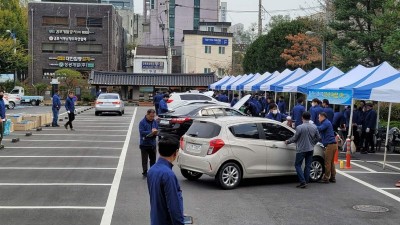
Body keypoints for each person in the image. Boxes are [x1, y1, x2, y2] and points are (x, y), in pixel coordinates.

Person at [147, 136, 184, 225]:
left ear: (159, 151)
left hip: (156, 219)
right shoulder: (168, 175)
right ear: (175, 153)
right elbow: (173, 207)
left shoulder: (152, 170)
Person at [286, 112, 321, 188]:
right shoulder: (314, 127)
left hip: (301, 149)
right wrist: (313, 143)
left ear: (302, 118)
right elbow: (318, 137)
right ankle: (306, 181)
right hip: (310, 149)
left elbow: (295, 138)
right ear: (310, 118)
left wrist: (288, 141)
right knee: (307, 166)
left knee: (297, 165)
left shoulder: (299, 127)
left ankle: (302, 181)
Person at [317, 112, 338, 183]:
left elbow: (319, 129)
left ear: (323, 117)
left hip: (330, 145)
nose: (318, 118)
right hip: (333, 144)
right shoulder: (327, 122)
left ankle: (326, 178)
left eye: (319, 117)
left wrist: (312, 126)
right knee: (331, 162)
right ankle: (333, 177)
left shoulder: (326, 123)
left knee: (327, 162)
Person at [139, 109, 159, 177]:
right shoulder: (142, 122)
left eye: (153, 116)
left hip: (152, 144)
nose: (152, 118)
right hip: (144, 144)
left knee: (153, 159)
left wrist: (156, 132)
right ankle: (145, 172)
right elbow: (141, 132)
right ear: (147, 114)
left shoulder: (155, 122)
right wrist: (150, 131)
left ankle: (152, 171)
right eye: (150, 116)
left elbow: (157, 129)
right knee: (144, 159)